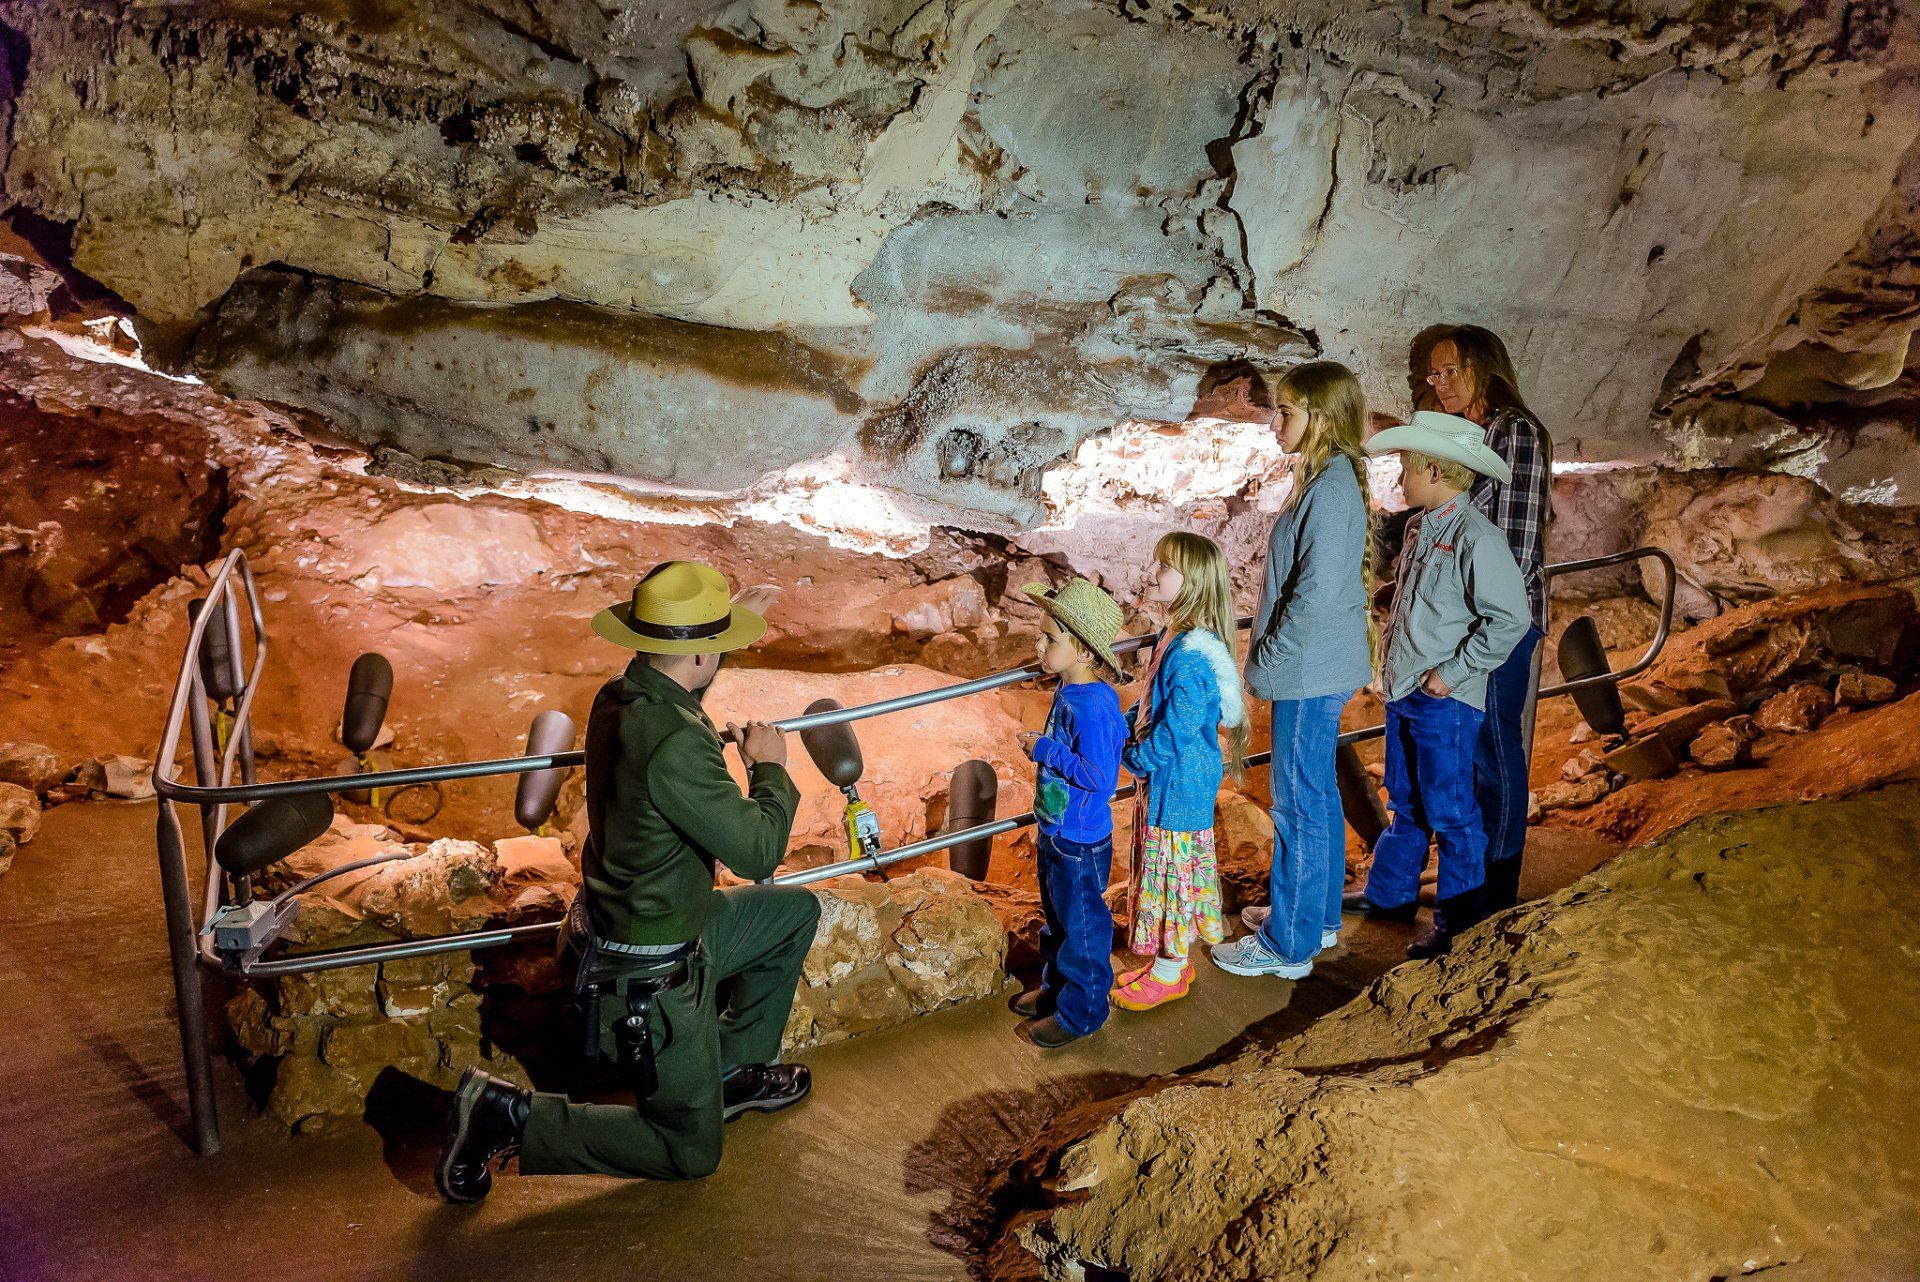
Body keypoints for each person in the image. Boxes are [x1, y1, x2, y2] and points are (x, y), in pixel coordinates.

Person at [435, 561, 820, 1202]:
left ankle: (724, 1072)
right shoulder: (675, 744)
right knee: (688, 1152)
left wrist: (714, 637)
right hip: (650, 968)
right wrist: (770, 770)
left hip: (657, 924)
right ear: (698, 652)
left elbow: (680, 701)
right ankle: (508, 1117)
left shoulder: (622, 696)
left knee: (792, 915)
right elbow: (758, 852)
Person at [1349, 413, 1531, 958]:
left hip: (1444, 700)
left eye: (1404, 467)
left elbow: (1511, 619)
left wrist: (1449, 674)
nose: (1399, 479)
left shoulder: (1478, 537)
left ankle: (1460, 920)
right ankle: (1390, 894)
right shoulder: (1419, 526)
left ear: (1432, 469)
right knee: (1407, 801)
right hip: (1409, 691)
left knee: (1452, 811)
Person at [1213, 362, 1373, 981]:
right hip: (1320, 664)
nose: (1275, 423)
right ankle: (1314, 914)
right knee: (1317, 794)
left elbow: (1313, 594)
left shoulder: (1330, 489)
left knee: (1297, 800)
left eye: (1285, 411)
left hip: (1307, 669)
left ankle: (1288, 944)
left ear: (1322, 417)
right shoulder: (1328, 479)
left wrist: (1269, 662)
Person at [1422, 325, 1552, 913]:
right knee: (1468, 757)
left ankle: (1493, 900)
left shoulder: (1514, 433)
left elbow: (1516, 547)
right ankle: (1468, 887)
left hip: (1499, 627)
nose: (1438, 383)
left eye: (1449, 371)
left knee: (1495, 757)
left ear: (1484, 368)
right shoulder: (1470, 436)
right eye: (1432, 374)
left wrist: (1480, 629)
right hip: (1467, 626)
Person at [1114, 533, 1248, 1007]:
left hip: (1179, 782)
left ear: (1191, 582)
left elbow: (1181, 728)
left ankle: (1170, 972)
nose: (1154, 573)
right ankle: (1171, 962)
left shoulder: (1191, 655)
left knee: (1170, 873)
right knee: (1163, 866)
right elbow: (1155, 703)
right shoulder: (1175, 638)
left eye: (1164, 567)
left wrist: (1137, 758)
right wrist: (1129, 726)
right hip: (1173, 779)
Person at [1011, 576, 1128, 1048]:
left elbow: (1100, 777)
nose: (1038, 645)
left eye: (1049, 638)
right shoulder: (1069, 690)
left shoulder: (1094, 706)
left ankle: (1082, 1012)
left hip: (1079, 838)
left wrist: (1044, 749)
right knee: (1057, 919)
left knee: (1082, 926)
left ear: (1083, 651)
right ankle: (1057, 990)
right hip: (1058, 829)